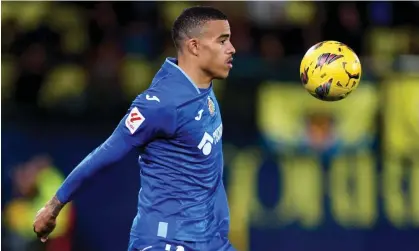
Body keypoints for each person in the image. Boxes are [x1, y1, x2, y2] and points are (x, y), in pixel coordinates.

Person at [33, 6, 236, 251]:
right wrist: (53, 206)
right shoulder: (162, 104)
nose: (232, 48)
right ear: (194, 47)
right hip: (169, 242)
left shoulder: (203, 89)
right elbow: (105, 154)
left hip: (210, 241)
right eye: (222, 41)